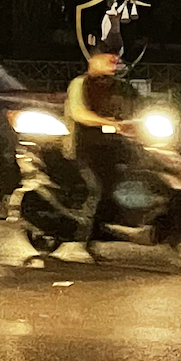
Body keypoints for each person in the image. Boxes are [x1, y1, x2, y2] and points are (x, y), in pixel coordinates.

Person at [64, 46, 140, 235]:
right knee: (95, 189)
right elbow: (79, 113)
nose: (113, 64)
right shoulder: (80, 84)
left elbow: (133, 109)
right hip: (81, 148)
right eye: (108, 59)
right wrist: (106, 122)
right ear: (93, 61)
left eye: (115, 60)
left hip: (110, 147)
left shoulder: (117, 87)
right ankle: (77, 241)